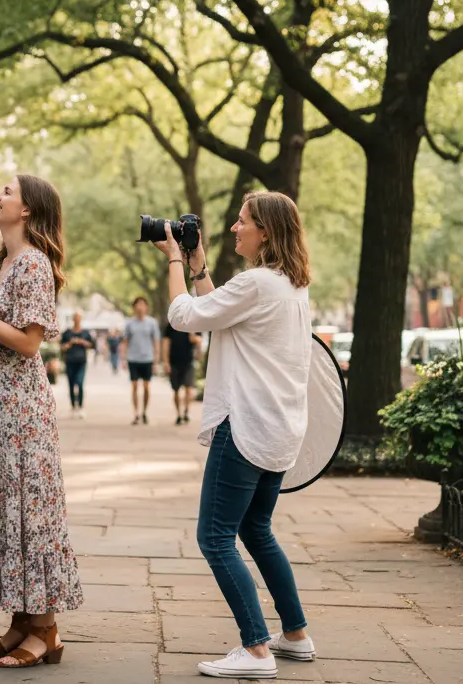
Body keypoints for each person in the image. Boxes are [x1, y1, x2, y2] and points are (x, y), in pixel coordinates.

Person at [155, 192, 315, 680]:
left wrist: (175, 261)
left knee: (215, 537)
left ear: (265, 231)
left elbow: (184, 317)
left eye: (242, 221)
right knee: (256, 531)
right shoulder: (288, 285)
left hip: (244, 426)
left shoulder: (258, 284)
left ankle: (256, 650)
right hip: (280, 429)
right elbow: (217, 308)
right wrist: (199, 264)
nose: (233, 228)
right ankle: (295, 635)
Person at [0, 174, 84, 670]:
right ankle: (19, 622)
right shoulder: (4, 262)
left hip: (21, 410)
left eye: (7, 190)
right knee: (5, 507)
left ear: (27, 211)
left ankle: (45, 629)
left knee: (28, 509)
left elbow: (28, 342)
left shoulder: (33, 263)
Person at [124, 298, 160, 424]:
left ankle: (144, 411)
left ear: (146, 307)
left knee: (146, 386)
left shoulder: (152, 323)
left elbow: (156, 341)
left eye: (142, 305)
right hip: (133, 358)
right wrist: (123, 358)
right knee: (134, 386)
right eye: (138, 305)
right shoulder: (129, 324)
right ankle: (136, 413)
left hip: (147, 359)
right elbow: (125, 342)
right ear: (134, 308)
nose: (140, 307)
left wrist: (156, 360)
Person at [164, 323, 202, 425]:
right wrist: (166, 362)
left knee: (188, 388)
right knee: (176, 390)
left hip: (189, 362)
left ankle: (186, 411)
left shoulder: (194, 324)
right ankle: (178, 413)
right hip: (174, 362)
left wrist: (192, 337)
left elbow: (199, 340)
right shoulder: (172, 324)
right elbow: (166, 342)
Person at [61, 311, 94, 418]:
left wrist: (82, 342)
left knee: (79, 383)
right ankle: (73, 406)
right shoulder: (67, 333)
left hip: (81, 362)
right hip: (70, 361)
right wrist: (70, 343)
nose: (77, 320)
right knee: (71, 384)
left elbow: (92, 345)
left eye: (79, 318)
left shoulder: (85, 333)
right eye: (75, 318)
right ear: (73, 319)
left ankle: (80, 406)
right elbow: (62, 347)